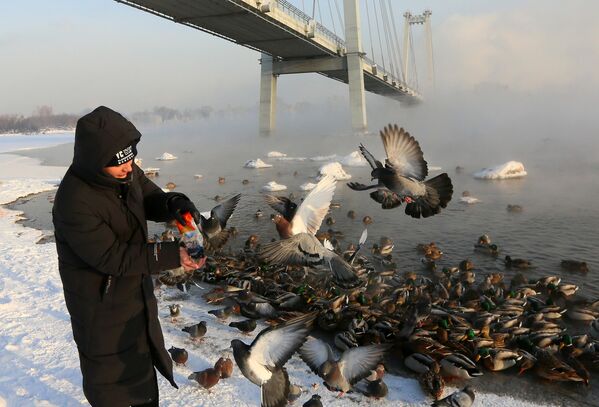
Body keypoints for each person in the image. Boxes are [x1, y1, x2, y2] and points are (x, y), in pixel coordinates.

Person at [52, 106, 205, 407]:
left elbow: (149, 196)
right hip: (101, 312)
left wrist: (173, 203)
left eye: (131, 157)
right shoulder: (73, 201)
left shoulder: (126, 171)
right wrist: (174, 254)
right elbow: (114, 257)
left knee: (143, 379)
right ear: (96, 163)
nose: (129, 167)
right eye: (119, 163)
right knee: (114, 389)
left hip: (134, 297)